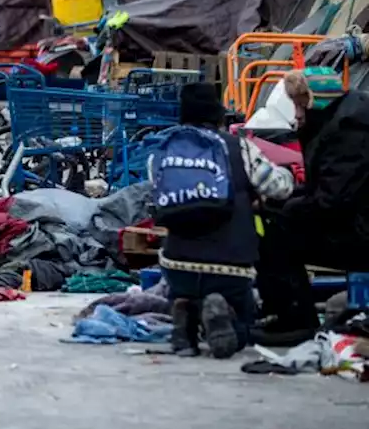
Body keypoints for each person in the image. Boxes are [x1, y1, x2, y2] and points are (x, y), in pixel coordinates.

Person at [154, 82, 294, 359]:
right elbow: (278, 187)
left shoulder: (165, 148)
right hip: (231, 264)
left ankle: (185, 319)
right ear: (219, 115)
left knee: (184, 290)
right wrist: (288, 174)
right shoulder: (238, 147)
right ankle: (226, 310)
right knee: (241, 335)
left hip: (177, 262)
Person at [255, 71, 369, 345]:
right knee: (277, 218)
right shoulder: (344, 121)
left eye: (298, 106)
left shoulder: (349, 131)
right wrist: (285, 199)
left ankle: (295, 319)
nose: (295, 116)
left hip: (360, 232)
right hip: (357, 221)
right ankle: (287, 312)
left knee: (275, 232)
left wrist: (284, 207)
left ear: (312, 102)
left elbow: (332, 200)